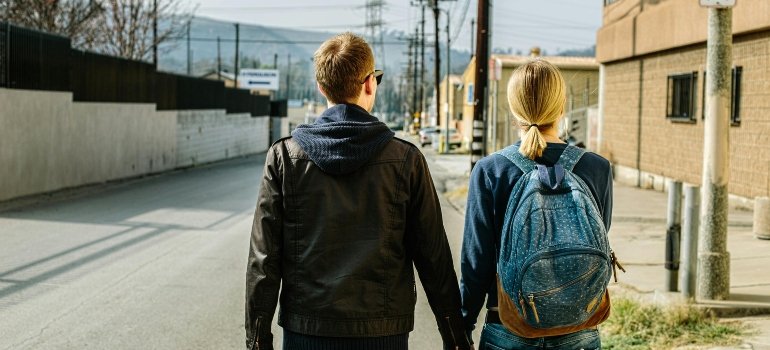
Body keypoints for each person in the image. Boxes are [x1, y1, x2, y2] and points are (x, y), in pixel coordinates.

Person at [245, 32, 471, 350]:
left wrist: (257, 339)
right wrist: (455, 336)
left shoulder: (284, 157)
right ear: (369, 83)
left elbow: (264, 260)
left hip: (307, 331)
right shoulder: (406, 159)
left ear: (321, 87)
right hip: (383, 333)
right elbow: (433, 256)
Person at [459, 59, 613, 349]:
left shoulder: (491, 171)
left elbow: (476, 263)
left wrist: (463, 326)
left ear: (513, 109)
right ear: (561, 106)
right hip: (578, 330)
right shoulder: (597, 168)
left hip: (508, 327)